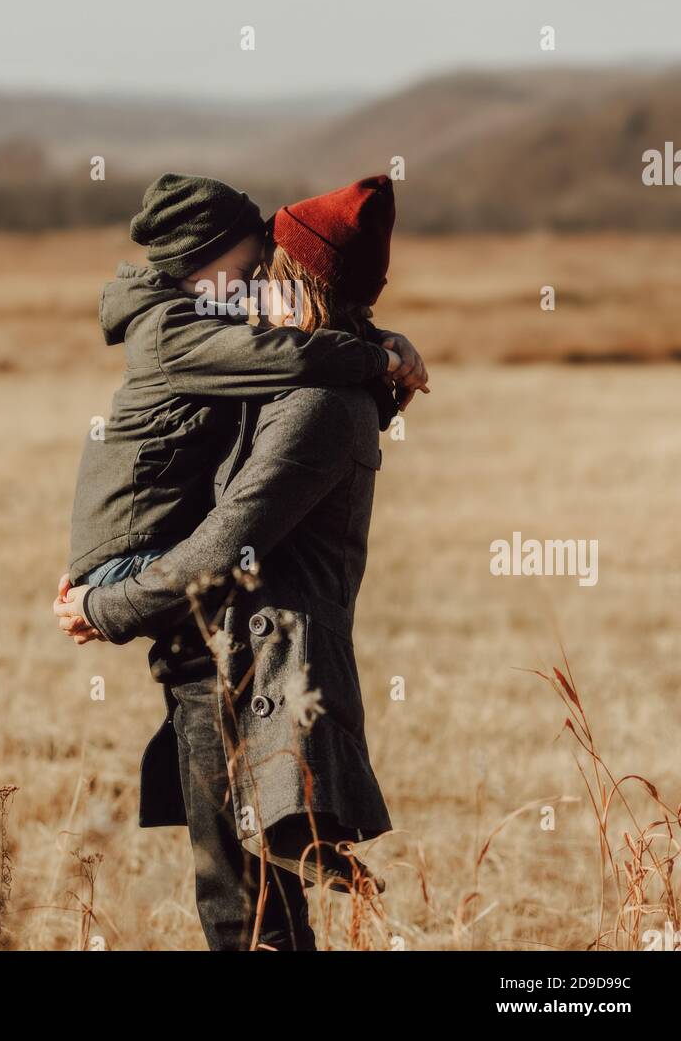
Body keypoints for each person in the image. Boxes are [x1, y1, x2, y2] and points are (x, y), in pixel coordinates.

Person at [56, 174, 429, 950]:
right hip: (221, 664)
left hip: (248, 675)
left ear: (294, 282)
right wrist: (380, 353)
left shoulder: (315, 398)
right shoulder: (275, 370)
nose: (255, 286)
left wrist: (102, 610)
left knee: (247, 918)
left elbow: (228, 541)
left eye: (269, 271)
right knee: (246, 910)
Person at [67, 172, 406, 596]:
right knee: (252, 595)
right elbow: (291, 354)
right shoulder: (171, 331)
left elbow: (295, 336)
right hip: (130, 553)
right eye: (246, 271)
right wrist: (381, 358)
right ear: (195, 263)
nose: (254, 288)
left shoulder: (203, 320)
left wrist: (377, 338)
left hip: (141, 544)